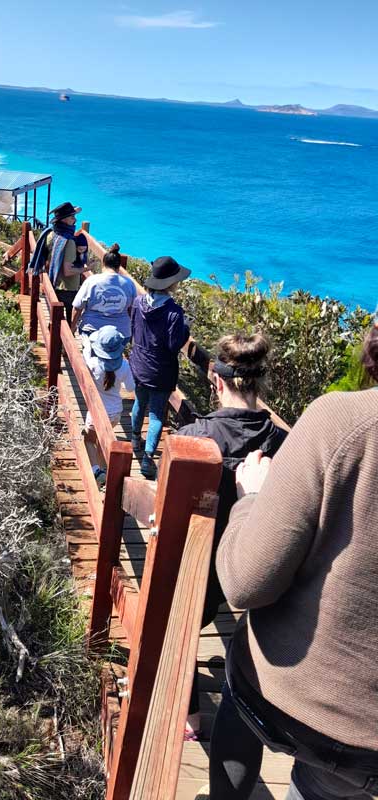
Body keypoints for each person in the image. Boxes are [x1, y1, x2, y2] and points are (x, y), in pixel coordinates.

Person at [205, 320, 378, 800]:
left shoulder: (340, 423)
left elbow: (246, 583)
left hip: (298, 700)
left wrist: (250, 499)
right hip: (369, 743)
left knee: (243, 694)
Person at [175, 333, 288, 740]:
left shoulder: (194, 435)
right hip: (258, 563)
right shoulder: (284, 444)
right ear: (260, 384)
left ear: (217, 382)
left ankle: (190, 718)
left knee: (183, 623)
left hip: (200, 562)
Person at [129, 256, 192, 478]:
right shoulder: (174, 312)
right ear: (171, 283)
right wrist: (186, 329)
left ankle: (135, 439)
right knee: (156, 414)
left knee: (139, 402)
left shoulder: (138, 302)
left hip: (139, 363)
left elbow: (134, 329)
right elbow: (174, 345)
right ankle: (147, 460)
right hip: (161, 369)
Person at [82, 325, 135, 487]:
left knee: (89, 439)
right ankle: (102, 472)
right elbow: (131, 388)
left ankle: (97, 470)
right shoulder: (124, 366)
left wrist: (86, 348)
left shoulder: (93, 364)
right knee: (103, 440)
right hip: (115, 413)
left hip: (96, 412)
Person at [71, 243, 137, 358]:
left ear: (103, 263)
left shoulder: (92, 281)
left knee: (91, 360)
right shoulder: (129, 284)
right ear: (118, 266)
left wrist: (72, 329)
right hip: (121, 333)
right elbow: (132, 310)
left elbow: (77, 307)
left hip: (92, 330)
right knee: (114, 360)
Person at [45, 201, 86, 323]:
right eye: (72, 217)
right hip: (68, 288)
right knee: (68, 324)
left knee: (55, 320)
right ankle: (63, 341)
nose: (75, 220)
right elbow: (68, 271)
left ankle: (54, 339)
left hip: (54, 282)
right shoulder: (68, 242)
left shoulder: (52, 234)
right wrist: (87, 269)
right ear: (64, 220)